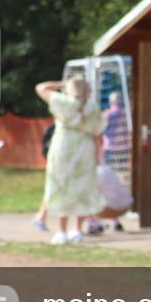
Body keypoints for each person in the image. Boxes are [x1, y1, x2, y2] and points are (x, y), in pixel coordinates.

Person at [35, 77, 106, 245]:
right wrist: (99, 154)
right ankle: (77, 231)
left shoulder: (62, 101)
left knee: (61, 187)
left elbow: (40, 87)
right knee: (83, 188)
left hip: (63, 148)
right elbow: (98, 131)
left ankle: (62, 231)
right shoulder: (92, 106)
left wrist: (62, 84)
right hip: (84, 149)